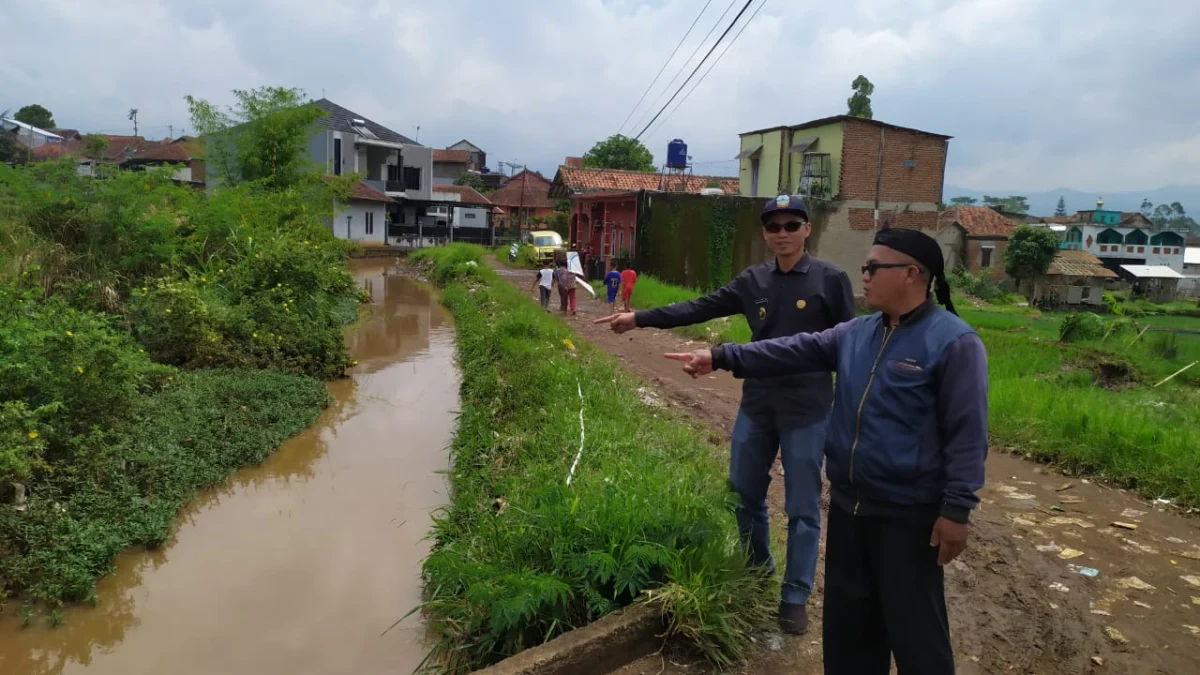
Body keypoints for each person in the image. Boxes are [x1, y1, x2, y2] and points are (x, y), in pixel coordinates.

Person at [664, 227, 988, 674]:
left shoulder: (954, 342)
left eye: (874, 268)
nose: (865, 277)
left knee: (916, 635)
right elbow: (792, 349)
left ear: (913, 273)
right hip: (849, 507)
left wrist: (957, 509)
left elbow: (968, 433)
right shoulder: (857, 333)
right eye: (864, 268)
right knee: (848, 629)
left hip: (908, 517)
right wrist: (721, 357)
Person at [596, 195, 855, 635]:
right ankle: (758, 572)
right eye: (773, 226)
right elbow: (699, 307)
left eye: (792, 225)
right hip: (757, 404)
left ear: (807, 229)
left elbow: (849, 348)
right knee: (743, 495)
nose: (782, 233)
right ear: (765, 233)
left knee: (803, 507)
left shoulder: (831, 280)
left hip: (808, 409)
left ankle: (795, 595)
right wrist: (639, 318)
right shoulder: (754, 280)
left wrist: (848, 414)